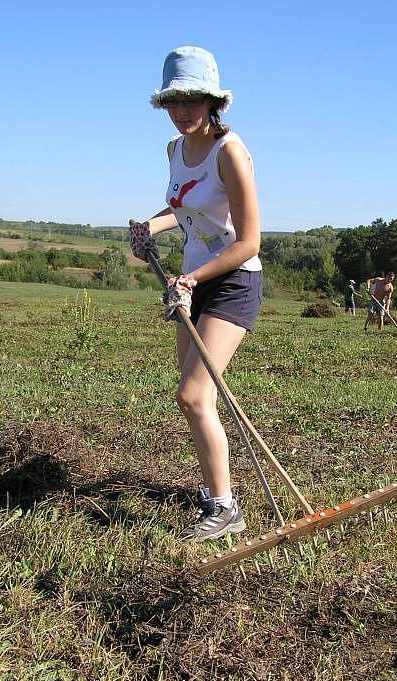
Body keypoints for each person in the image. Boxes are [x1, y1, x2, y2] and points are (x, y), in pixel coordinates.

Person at [129, 46, 262, 543]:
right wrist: (152, 226)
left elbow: (249, 240)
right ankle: (215, 493)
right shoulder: (174, 150)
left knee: (193, 392)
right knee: (191, 400)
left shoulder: (230, 151)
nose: (182, 110)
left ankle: (225, 508)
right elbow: (182, 210)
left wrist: (190, 279)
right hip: (190, 280)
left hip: (232, 279)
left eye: (192, 99)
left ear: (212, 101)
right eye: (173, 100)